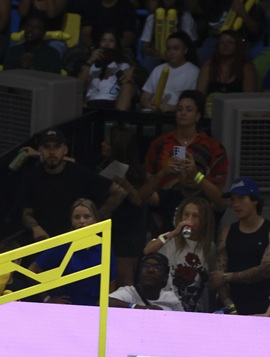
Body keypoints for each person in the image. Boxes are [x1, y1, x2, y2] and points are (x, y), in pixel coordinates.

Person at [19, 128, 126, 241]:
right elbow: (26, 210)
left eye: (56, 147)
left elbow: (119, 192)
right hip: (44, 240)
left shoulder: (78, 172)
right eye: (47, 147)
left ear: (65, 150)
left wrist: (94, 219)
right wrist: (35, 227)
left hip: (75, 240)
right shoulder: (32, 176)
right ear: (41, 150)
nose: (52, 152)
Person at [141, 90, 228, 224]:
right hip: (164, 206)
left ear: (198, 116)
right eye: (179, 109)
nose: (183, 113)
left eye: (189, 109)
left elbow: (220, 194)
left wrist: (196, 175)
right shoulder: (160, 143)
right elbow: (146, 182)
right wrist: (164, 172)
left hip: (202, 204)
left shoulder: (212, 146)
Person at [211, 177, 270, 315]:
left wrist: (228, 276)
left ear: (254, 200)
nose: (235, 204)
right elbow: (217, 276)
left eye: (240, 198)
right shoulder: (227, 232)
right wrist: (229, 305)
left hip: (258, 305)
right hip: (229, 305)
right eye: (233, 200)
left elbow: (264, 271)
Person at [29, 198, 117, 306]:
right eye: (77, 217)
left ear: (95, 220)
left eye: (86, 216)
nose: (82, 221)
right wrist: (47, 298)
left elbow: (111, 283)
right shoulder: (63, 245)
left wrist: (106, 306)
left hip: (96, 307)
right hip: (68, 306)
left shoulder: (105, 247)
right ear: (71, 221)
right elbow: (32, 270)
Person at [143, 195, 216, 312]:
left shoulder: (209, 246)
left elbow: (210, 281)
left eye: (195, 216)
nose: (189, 219)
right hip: (168, 308)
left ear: (204, 220)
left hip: (196, 311)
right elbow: (147, 251)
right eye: (186, 215)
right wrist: (174, 232)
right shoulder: (169, 238)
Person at [97, 125, 147, 286]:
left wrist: (125, 184)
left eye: (108, 143)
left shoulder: (134, 173)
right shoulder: (103, 165)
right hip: (109, 230)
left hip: (126, 235)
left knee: (123, 282)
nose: (102, 145)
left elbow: (138, 201)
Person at [138, 32, 200, 112]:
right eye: (169, 48)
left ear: (185, 50)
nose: (172, 52)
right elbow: (145, 96)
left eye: (176, 48)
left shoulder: (194, 72)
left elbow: (195, 103)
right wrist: (148, 104)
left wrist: (173, 108)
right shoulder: (158, 69)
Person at [79, 30, 137, 111]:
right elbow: (79, 86)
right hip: (91, 104)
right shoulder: (91, 67)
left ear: (116, 46)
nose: (107, 44)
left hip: (112, 103)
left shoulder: (123, 65)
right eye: (103, 40)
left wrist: (115, 68)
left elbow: (127, 84)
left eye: (111, 41)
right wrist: (90, 61)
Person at [109, 253, 183, 310]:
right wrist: (138, 308)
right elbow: (104, 302)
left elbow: (184, 323)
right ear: (138, 272)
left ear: (165, 277)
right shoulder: (129, 293)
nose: (151, 270)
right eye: (146, 265)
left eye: (158, 267)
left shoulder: (171, 298)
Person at [196, 29, 258, 98]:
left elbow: (249, 98)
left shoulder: (247, 68)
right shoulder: (209, 66)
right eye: (221, 42)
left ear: (237, 45)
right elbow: (199, 96)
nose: (225, 45)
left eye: (230, 42)